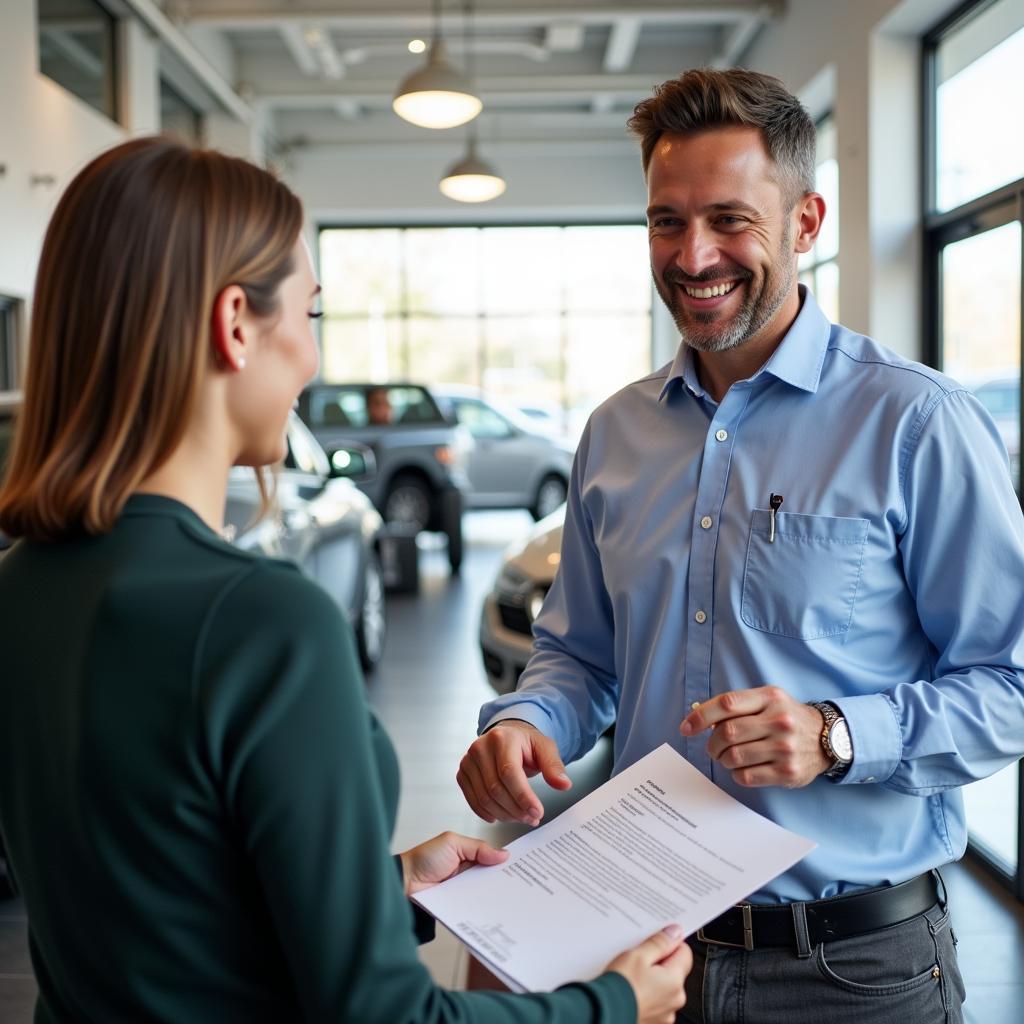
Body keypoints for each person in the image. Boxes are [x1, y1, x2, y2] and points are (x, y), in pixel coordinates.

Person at [0, 138, 691, 1023]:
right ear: (236, 323)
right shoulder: (260, 620)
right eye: (311, 317)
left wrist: (385, 888)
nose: (313, 363)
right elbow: (382, 1016)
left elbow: (159, 901)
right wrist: (611, 1002)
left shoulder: (19, 590)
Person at [458, 68, 1024, 1024]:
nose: (693, 254)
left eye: (729, 219)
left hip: (854, 974)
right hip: (643, 956)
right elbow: (581, 657)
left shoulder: (916, 423)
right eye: (666, 222)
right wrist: (523, 725)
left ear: (805, 223)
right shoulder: (614, 433)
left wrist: (839, 736)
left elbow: (1010, 682)